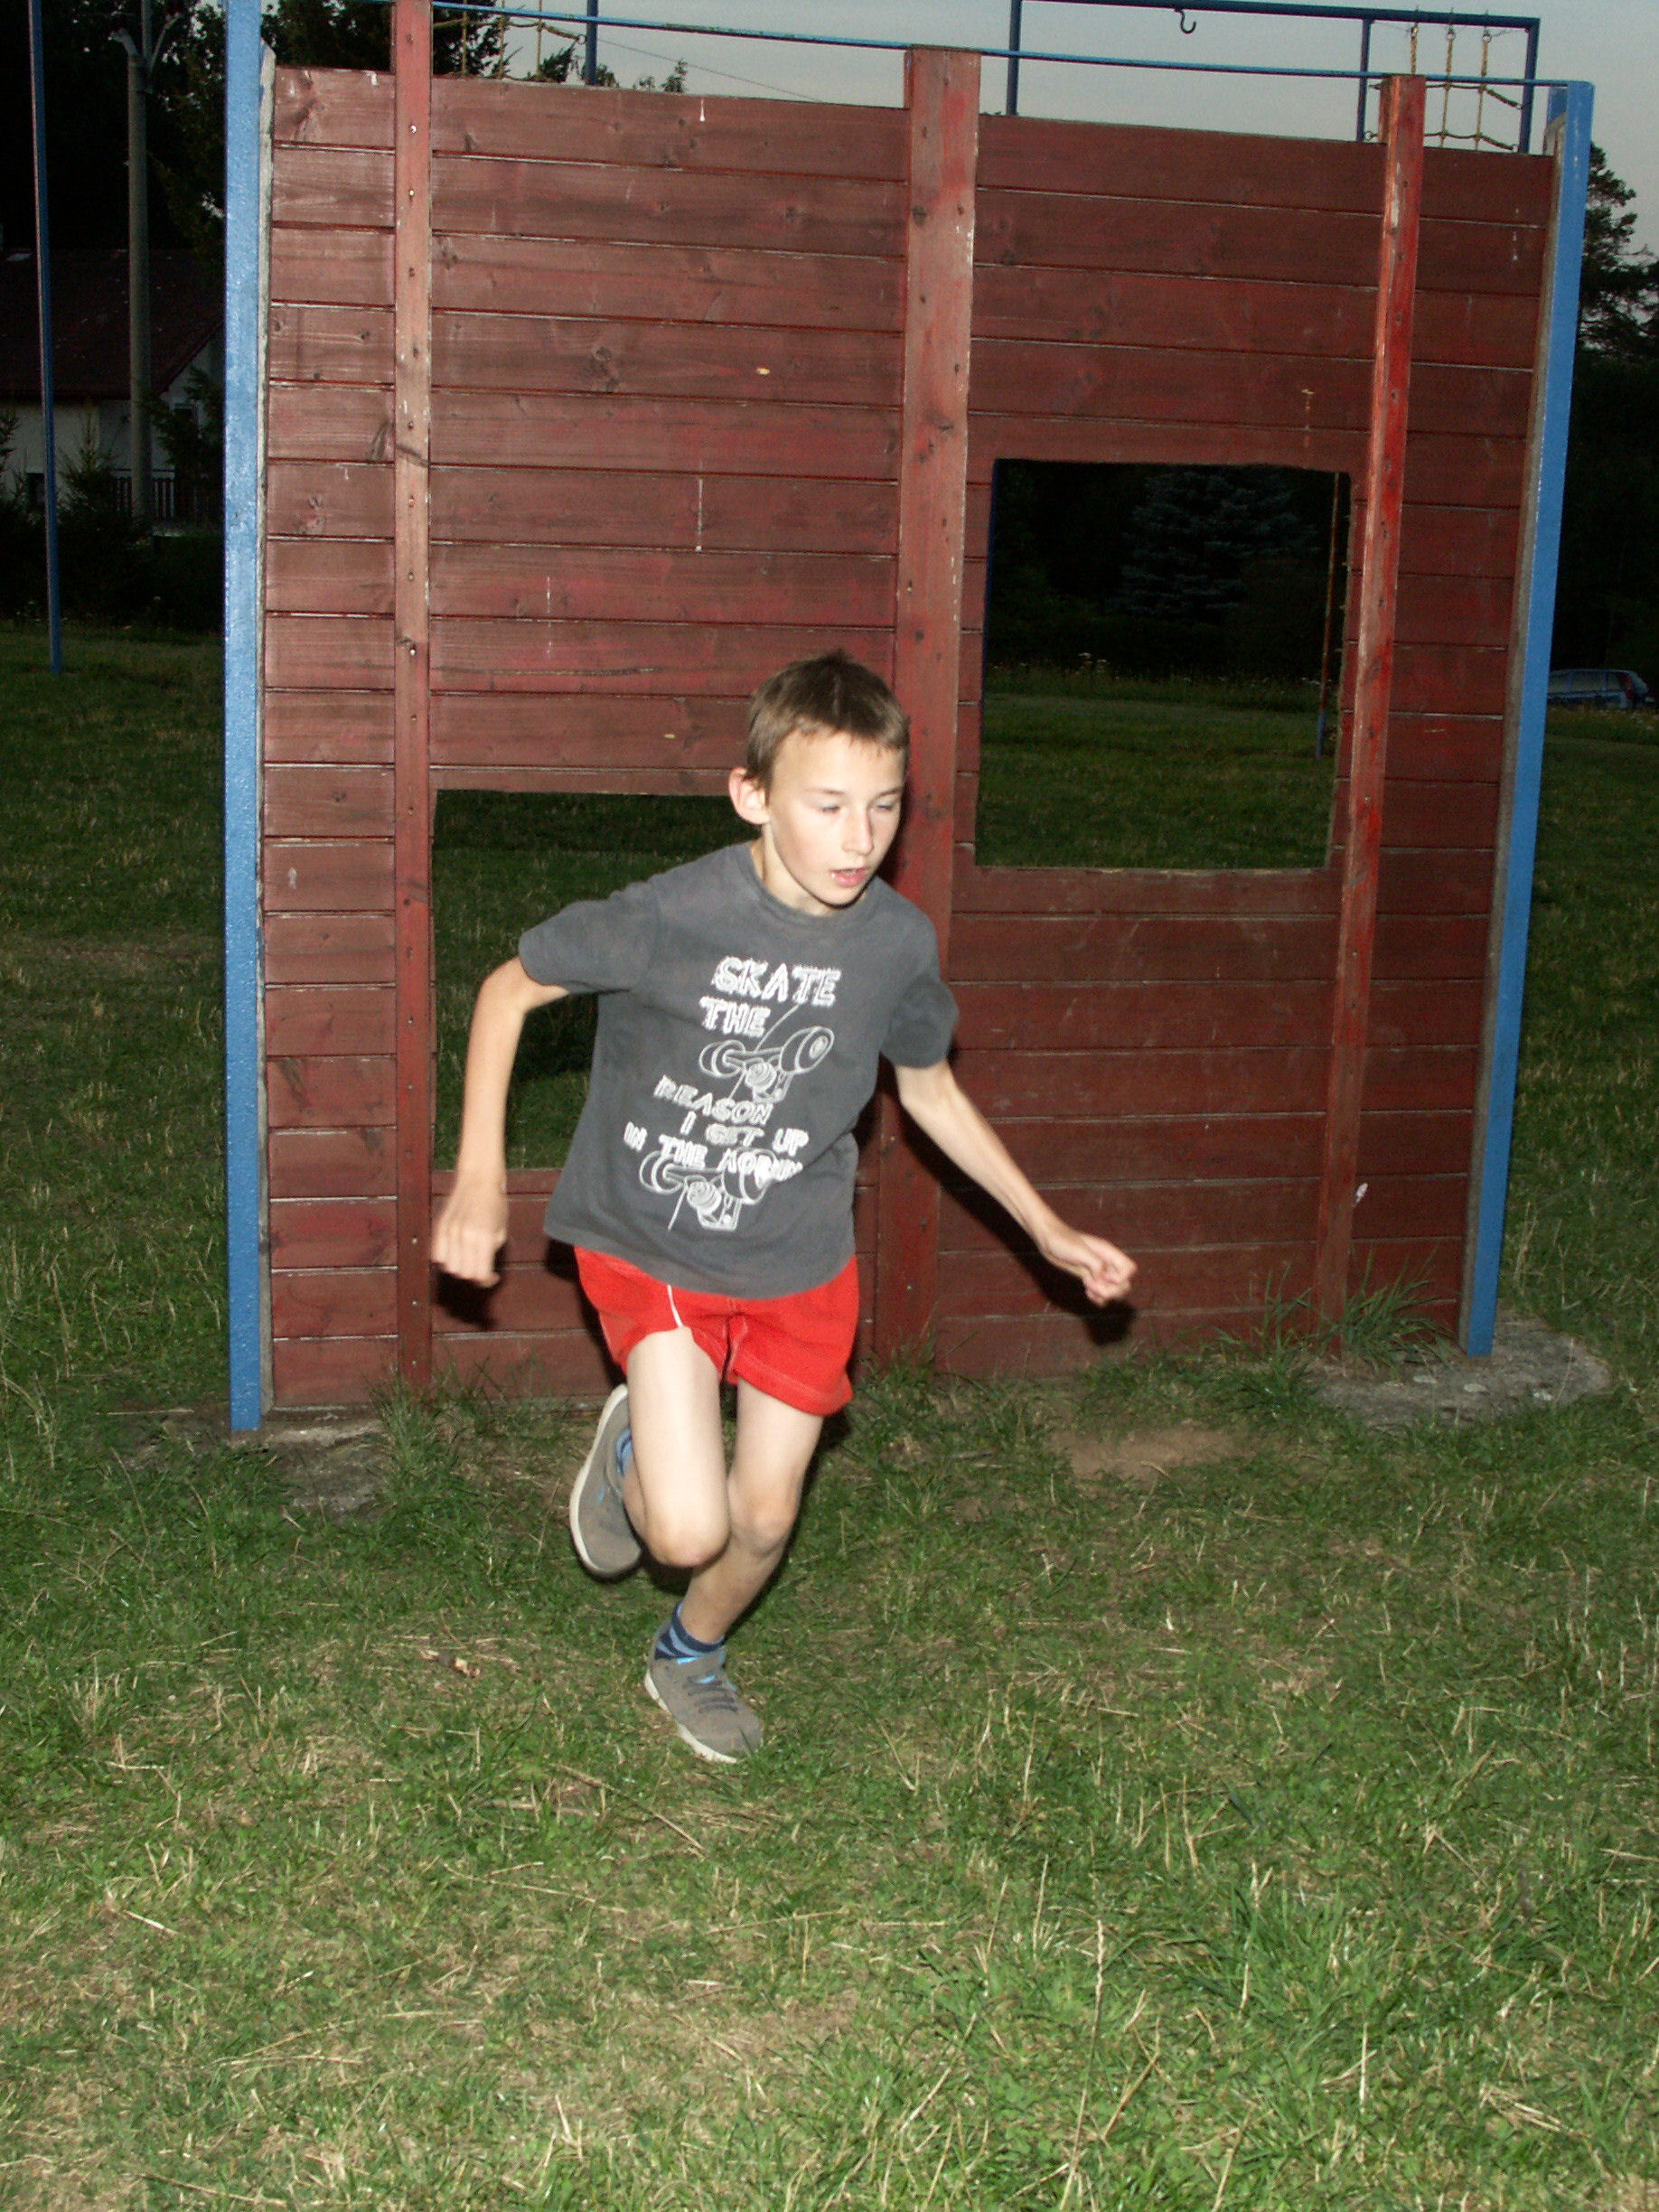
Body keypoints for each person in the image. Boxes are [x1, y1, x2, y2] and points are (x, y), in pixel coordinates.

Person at [431, 651, 1135, 1763]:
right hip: (656, 1237)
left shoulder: (895, 945)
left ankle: (689, 1654)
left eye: (885, 806)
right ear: (751, 795)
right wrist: (478, 1175)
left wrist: (1045, 1228)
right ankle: (637, 1448)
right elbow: (506, 991)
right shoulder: (674, 915)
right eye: (829, 806)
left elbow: (928, 1090)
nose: (861, 838)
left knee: (761, 1520)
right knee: (687, 1528)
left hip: (798, 1254)